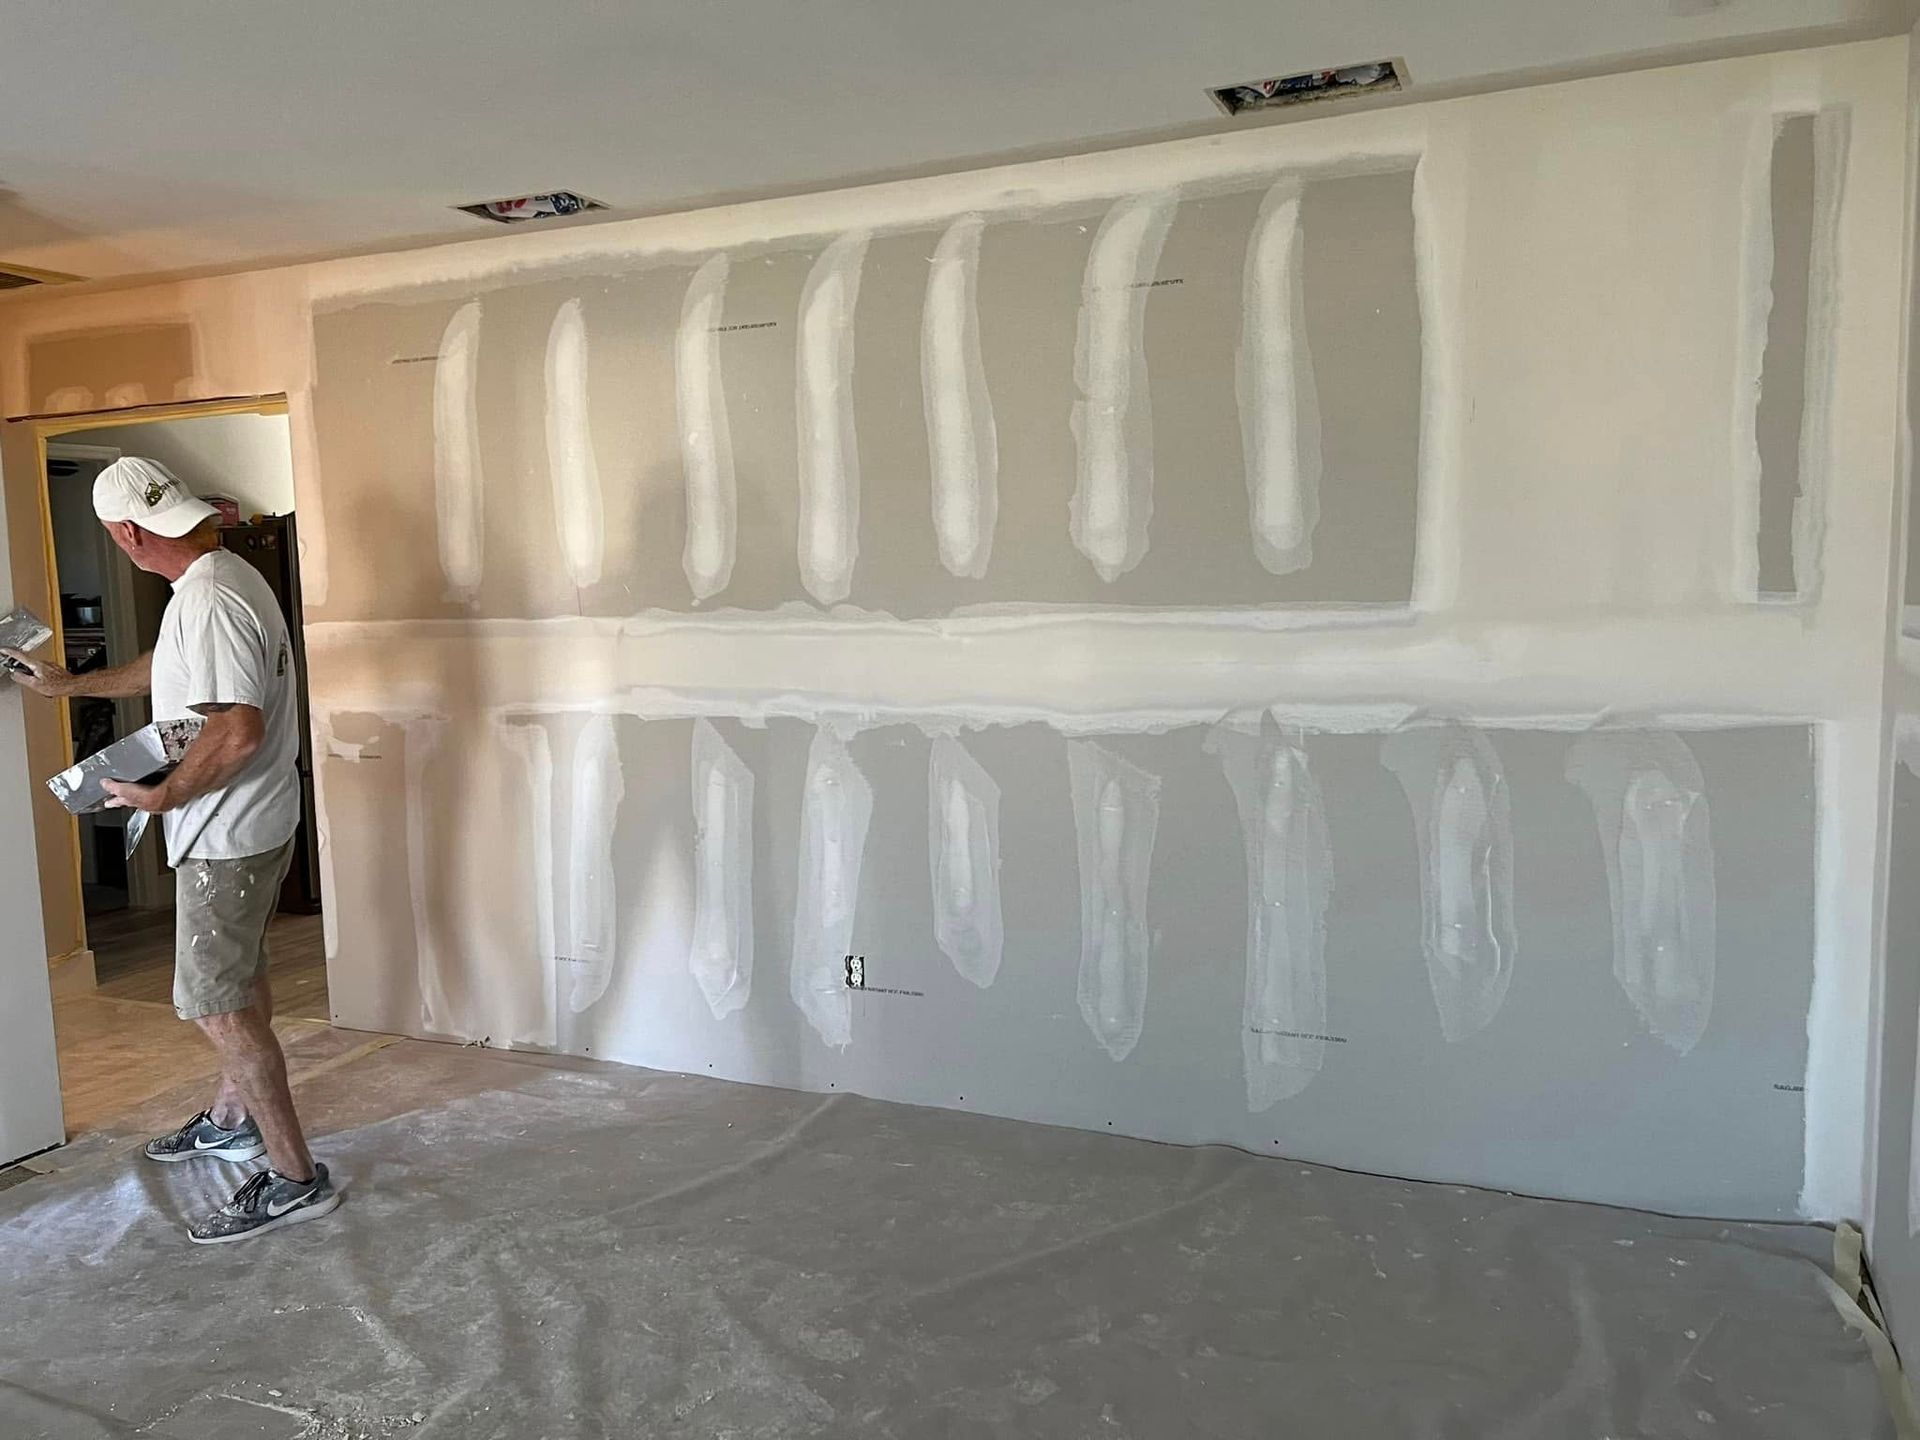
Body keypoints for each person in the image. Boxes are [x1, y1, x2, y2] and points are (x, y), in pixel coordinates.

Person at [4, 456, 338, 1243]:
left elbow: (236, 728)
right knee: (241, 977)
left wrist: (162, 795)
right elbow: (172, 671)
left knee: (215, 1003)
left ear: (124, 532)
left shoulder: (213, 597)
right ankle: (232, 1120)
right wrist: (69, 686)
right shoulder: (218, 580)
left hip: (226, 833)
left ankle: (295, 1176)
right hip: (254, 822)